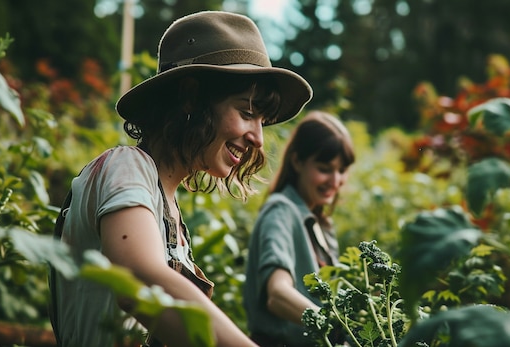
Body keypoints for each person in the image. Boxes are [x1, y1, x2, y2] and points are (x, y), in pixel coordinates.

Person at [48, 11, 312, 347]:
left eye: (262, 120)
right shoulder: (126, 167)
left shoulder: (166, 205)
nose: (258, 138)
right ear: (190, 97)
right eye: (246, 113)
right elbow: (141, 283)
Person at [243, 111, 356, 347]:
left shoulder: (320, 223)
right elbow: (278, 294)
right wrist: (337, 329)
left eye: (342, 170)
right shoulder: (281, 211)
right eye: (325, 168)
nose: (335, 181)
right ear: (297, 161)